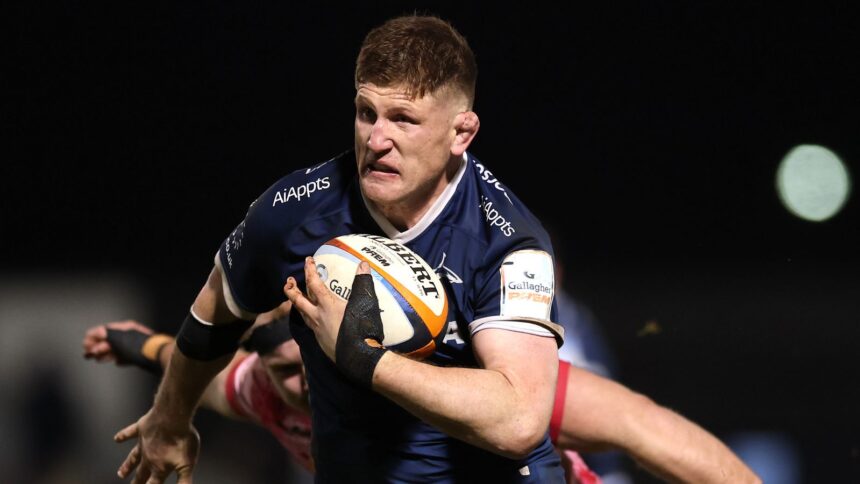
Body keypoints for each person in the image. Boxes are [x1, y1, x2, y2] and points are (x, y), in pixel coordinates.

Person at [109, 14, 759, 484]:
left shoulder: (508, 244)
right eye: (366, 113)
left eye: (404, 119)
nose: (377, 139)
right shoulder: (292, 217)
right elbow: (212, 321)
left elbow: (522, 422)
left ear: (461, 133)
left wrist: (368, 361)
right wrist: (167, 417)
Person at [87, 312, 760, 483]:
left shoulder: (455, 377)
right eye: (289, 369)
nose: (309, 383)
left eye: (323, 362)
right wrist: (140, 346)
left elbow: (642, 425)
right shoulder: (268, 391)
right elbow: (202, 371)